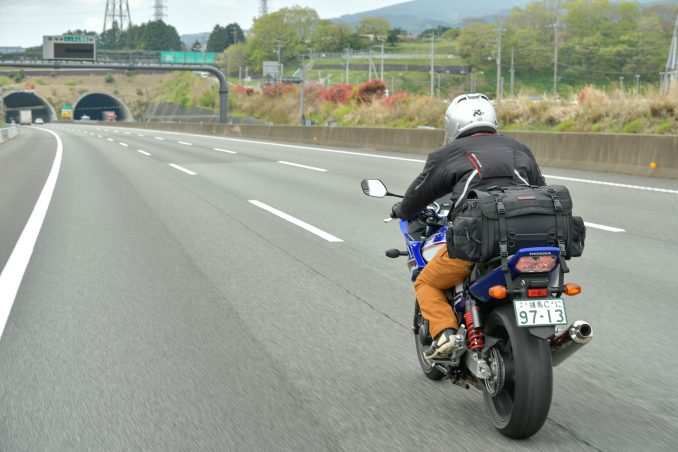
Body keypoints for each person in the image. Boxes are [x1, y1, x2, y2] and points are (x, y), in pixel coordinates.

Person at [391, 93, 546, 360]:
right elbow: (541, 190)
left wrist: (401, 209)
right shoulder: (519, 148)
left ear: (452, 124)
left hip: (476, 240)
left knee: (426, 282)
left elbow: (417, 195)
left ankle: (445, 334)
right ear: (492, 119)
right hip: (532, 239)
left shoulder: (446, 154)